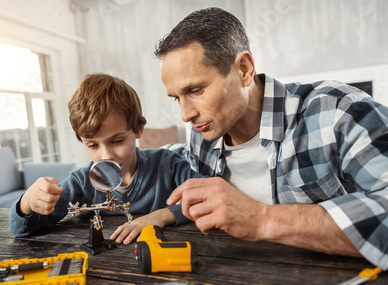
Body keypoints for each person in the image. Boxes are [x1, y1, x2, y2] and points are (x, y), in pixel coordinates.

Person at [154, 7, 388, 269]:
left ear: (244, 69)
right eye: (177, 98)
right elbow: (170, 157)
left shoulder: (339, 112)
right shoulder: (203, 135)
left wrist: (261, 219)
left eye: (196, 90)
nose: (185, 115)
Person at [9, 73, 204, 244]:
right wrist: (27, 202)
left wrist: (162, 215)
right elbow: (21, 228)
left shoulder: (167, 165)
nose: (106, 156)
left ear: (138, 130)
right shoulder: (81, 182)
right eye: (93, 145)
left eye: (117, 141)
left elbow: (206, 197)